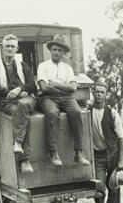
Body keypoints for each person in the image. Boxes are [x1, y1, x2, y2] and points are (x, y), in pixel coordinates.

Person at [37, 34, 90, 166]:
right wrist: (63, 87)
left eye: (60, 50)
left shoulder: (68, 68)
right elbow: (44, 87)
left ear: (63, 53)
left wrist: (54, 83)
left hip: (67, 98)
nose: (57, 52)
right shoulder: (43, 66)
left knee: (77, 112)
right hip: (48, 98)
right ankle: (53, 152)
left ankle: (79, 152)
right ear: (50, 50)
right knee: (52, 114)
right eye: (55, 49)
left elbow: (72, 88)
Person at [0, 34, 37, 173]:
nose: (9, 49)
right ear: (3, 48)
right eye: (7, 46)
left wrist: (20, 89)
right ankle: (25, 161)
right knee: (21, 115)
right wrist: (11, 92)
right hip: (8, 101)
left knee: (22, 107)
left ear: (17, 49)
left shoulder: (23, 66)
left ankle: (17, 143)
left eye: (12, 46)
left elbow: (32, 85)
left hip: (26, 99)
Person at [89, 80, 123, 203]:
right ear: (93, 93)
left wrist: (121, 160)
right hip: (97, 156)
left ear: (106, 94)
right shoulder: (88, 112)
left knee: (114, 188)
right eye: (97, 91)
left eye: (102, 92)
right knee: (98, 186)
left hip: (112, 154)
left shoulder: (112, 113)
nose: (99, 94)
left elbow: (121, 137)